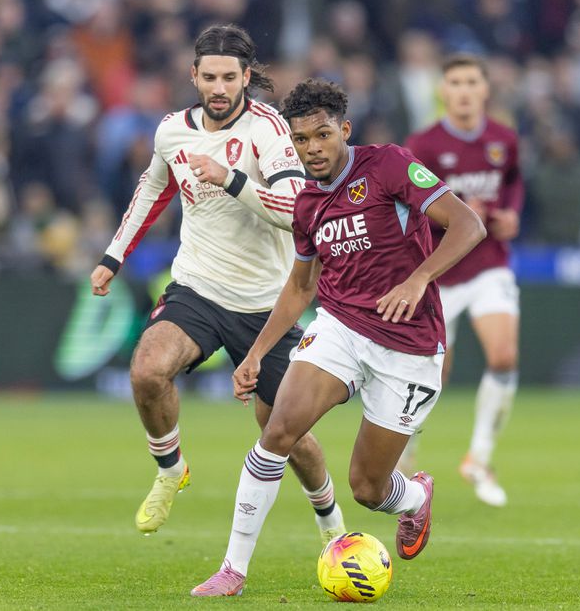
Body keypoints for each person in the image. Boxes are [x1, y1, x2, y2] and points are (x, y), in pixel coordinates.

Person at [191, 78, 485, 597]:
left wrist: (418, 279)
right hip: (342, 328)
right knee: (277, 429)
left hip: (410, 348)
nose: (313, 149)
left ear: (344, 129)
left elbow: (467, 225)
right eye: (301, 140)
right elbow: (302, 285)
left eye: (322, 135)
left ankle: (414, 499)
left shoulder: (389, 165)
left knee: (368, 488)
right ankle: (232, 569)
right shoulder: (307, 205)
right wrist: (256, 354)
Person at [89, 25, 345, 545]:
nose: (220, 87)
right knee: (147, 369)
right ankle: (170, 469)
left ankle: (332, 526)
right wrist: (113, 258)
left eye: (230, 77)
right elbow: (152, 192)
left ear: (247, 77)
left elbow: (295, 214)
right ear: (194, 76)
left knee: (286, 436)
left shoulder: (271, 131)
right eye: (210, 77)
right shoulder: (171, 132)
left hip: (266, 307)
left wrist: (231, 177)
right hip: (198, 288)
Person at [403, 53, 524, 508]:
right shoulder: (423, 144)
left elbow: (513, 181)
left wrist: (510, 213)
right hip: (439, 270)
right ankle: (407, 449)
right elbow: (410, 207)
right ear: (443, 91)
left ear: (485, 89)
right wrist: (454, 210)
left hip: (490, 261)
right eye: (455, 82)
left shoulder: (504, 139)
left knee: (505, 354)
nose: (465, 89)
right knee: (435, 372)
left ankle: (480, 458)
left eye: (472, 81)